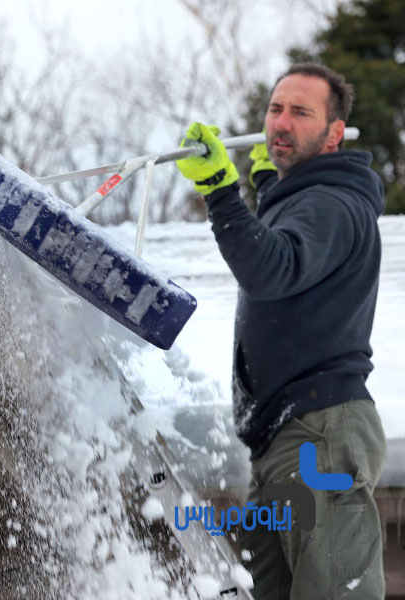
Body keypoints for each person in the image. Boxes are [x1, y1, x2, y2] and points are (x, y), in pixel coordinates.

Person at [175, 63, 387, 599]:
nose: (281, 123)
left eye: (300, 112)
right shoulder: (309, 200)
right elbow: (291, 248)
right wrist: (270, 188)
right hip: (283, 439)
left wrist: (221, 190)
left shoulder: (332, 202)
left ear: (334, 133)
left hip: (319, 436)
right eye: (275, 109)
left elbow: (272, 269)